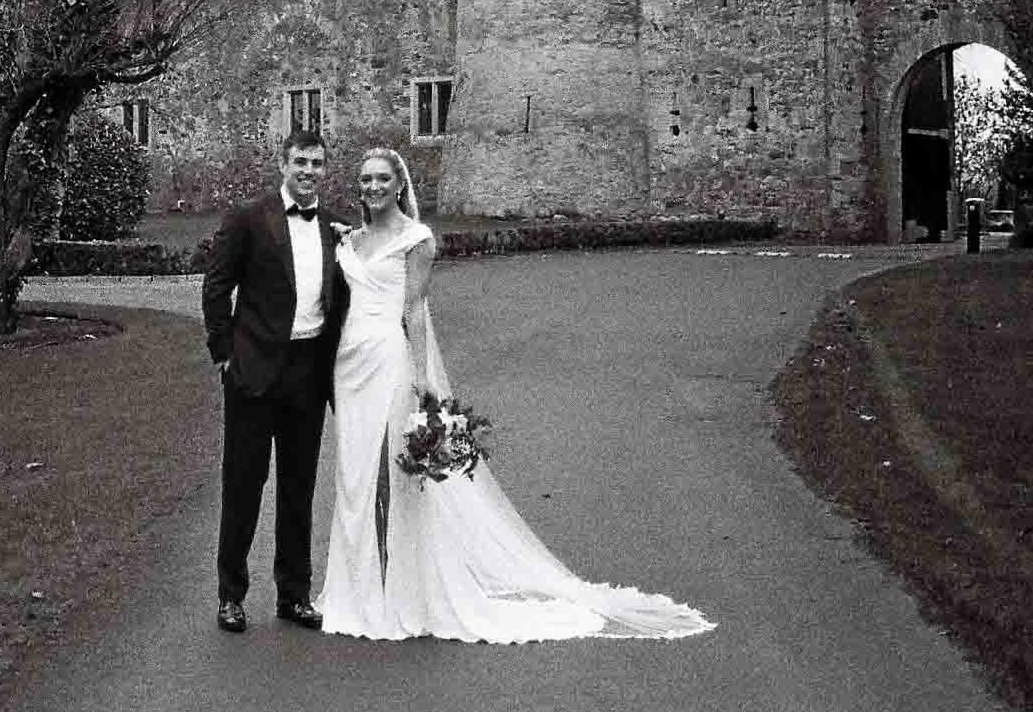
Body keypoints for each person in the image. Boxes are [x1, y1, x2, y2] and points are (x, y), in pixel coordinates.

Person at [315, 146, 715, 643]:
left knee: (392, 476)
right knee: (353, 478)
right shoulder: (351, 240)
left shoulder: (417, 239)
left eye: (381, 179)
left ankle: (396, 594)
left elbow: (415, 311)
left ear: (400, 184)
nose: (372, 187)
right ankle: (355, 589)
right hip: (349, 366)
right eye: (364, 180)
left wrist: (421, 378)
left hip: (389, 363)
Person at [202, 129, 351, 633]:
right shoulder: (250, 218)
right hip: (252, 371)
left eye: (317, 163)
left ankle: (294, 594)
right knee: (243, 485)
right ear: (283, 165)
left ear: (326, 170)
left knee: (298, 486)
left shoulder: (335, 228)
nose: (309, 171)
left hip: (307, 373)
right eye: (300, 162)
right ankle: (231, 596)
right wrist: (224, 353)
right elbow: (217, 285)